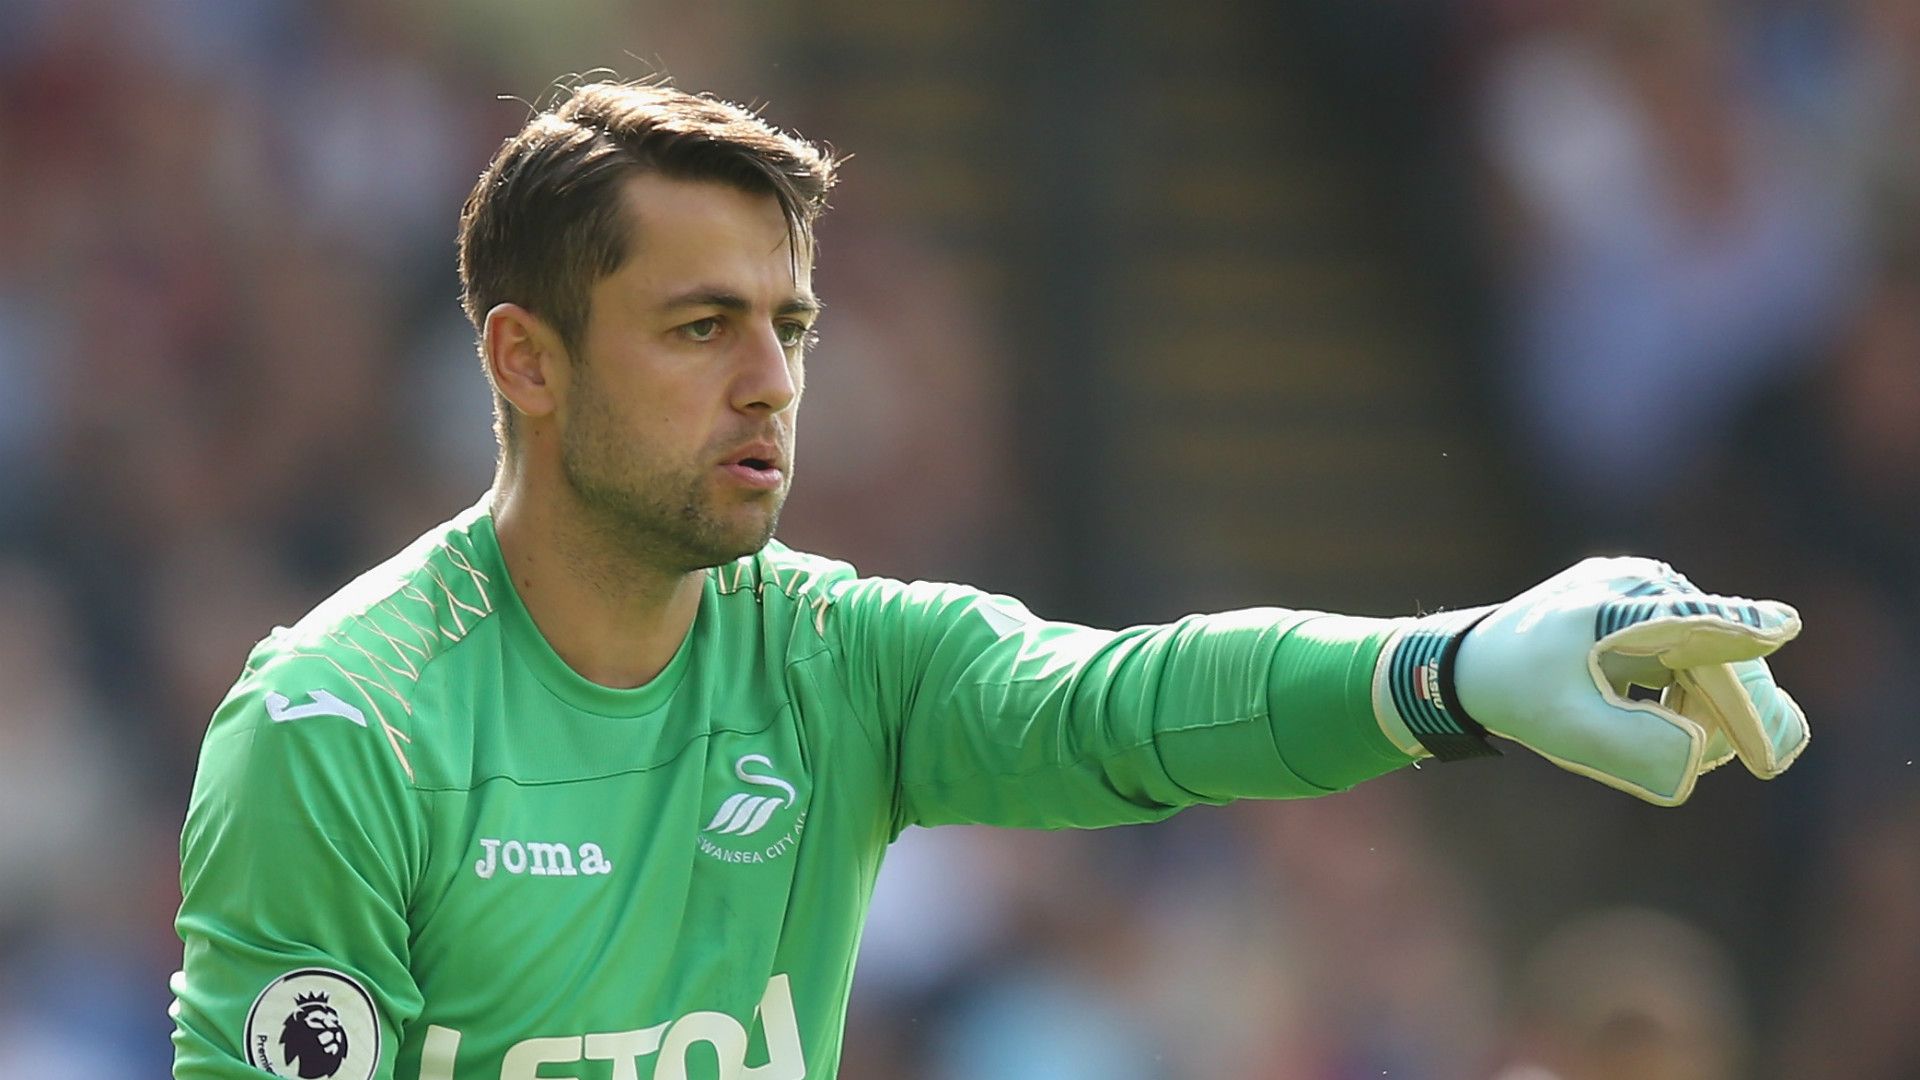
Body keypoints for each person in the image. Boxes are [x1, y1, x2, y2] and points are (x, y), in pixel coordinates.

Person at [169, 81, 1810, 1080]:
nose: (772, 383)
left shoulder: (832, 661)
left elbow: (1123, 706)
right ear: (524, 361)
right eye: (699, 327)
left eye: (789, 327)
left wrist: (1453, 672)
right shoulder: (340, 730)